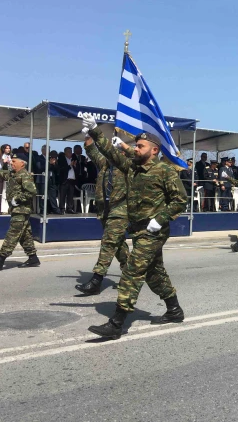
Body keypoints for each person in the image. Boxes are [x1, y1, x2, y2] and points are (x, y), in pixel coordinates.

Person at [82, 113, 188, 339]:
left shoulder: (165, 171)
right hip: (138, 229)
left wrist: (159, 219)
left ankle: (116, 324)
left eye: (140, 146)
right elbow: (110, 152)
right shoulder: (132, 168)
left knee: (132, 270)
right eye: (135, 146)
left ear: (154, 150)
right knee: (154, 273)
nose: (136, 149)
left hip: (154, 231)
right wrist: (95, 130)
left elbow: (180, 200)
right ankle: (174, 309)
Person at [74, 134, 131, 295]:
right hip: (104, 209)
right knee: (118, 244)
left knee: (108, 241)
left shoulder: (127, 165)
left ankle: (96, 280)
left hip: (120, 208)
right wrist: (88, 136)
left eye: (117, 150)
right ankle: (130, 274)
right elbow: (92, 150)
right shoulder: (105, 164)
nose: (114, 152)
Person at [0, 152, 40, 270]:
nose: (11, 163)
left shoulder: (25, 175)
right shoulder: (13, 174)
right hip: (16, 209)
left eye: (14, 161)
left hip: (21, 209)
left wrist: (18, 199)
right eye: (11, 161)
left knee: (13, 233)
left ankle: (1, 259)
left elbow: (32, 192)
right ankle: (33, 258)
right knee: (24, 235)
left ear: (22, 163)